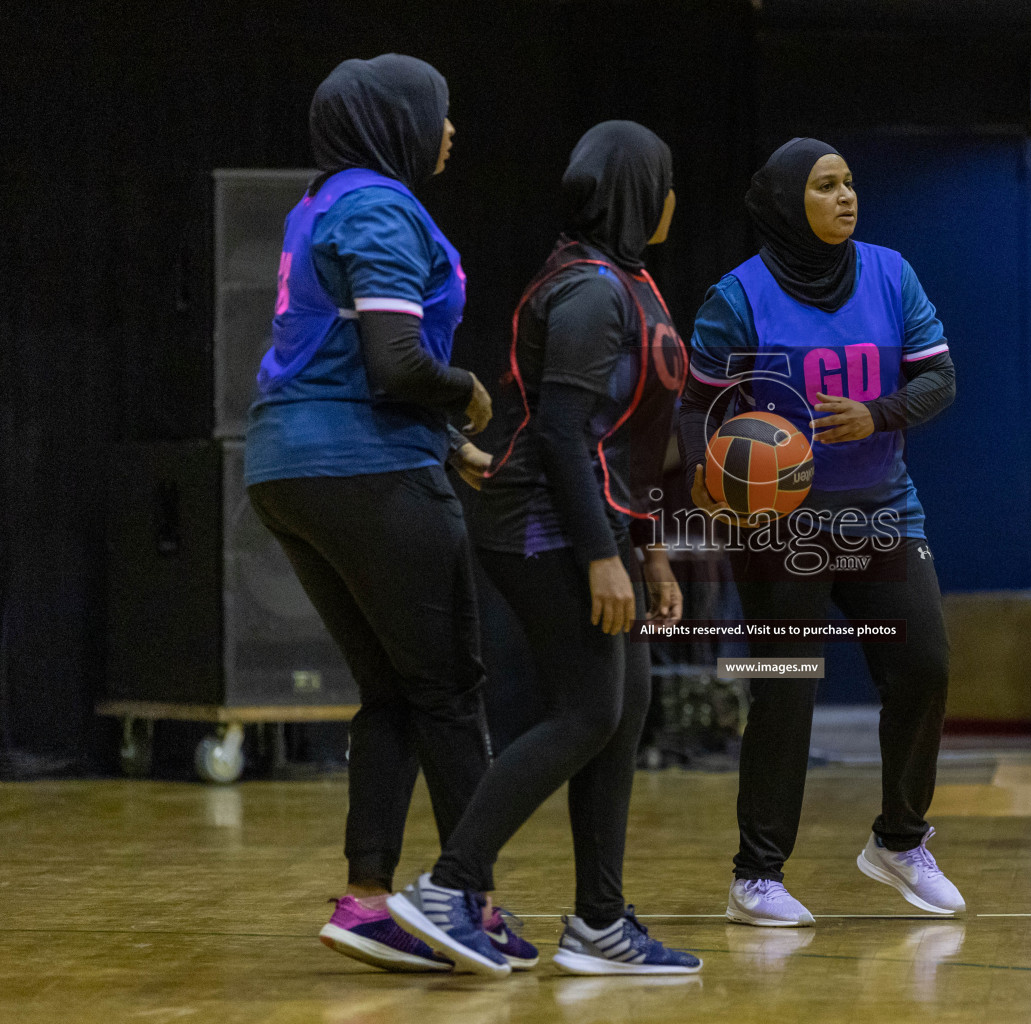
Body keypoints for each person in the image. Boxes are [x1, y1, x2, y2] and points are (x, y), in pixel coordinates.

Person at [385, 121, 701, 977]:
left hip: (587, 520)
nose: (676, 198)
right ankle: (449, 888)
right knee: (589, 710)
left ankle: (599, 921)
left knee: (621, 709)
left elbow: (629, 442)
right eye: (666, 180)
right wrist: (606, 556)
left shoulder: (631, 284)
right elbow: (563, 437)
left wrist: (652, 552)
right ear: (640, 192)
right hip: (539, 522)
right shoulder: (593, 292)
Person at [245, 54, 536, 971]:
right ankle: (467, 901)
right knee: (450, 691)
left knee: (395, 691)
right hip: (364, 468)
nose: (449, 131)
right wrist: (468, 396)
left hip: (287, 469)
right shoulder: (379, 207)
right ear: (396, 121)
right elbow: (396, 365)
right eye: (438, 113)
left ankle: (369, 900)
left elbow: (327, 355)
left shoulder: (318, 205)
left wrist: (450, 449)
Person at [678, 138, 964, 927]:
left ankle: (901, 842)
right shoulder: (737, 297)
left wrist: (878, 413)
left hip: (881, 510)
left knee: (925, 666)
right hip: (781, 529)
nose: (846, 197)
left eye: (849, 183)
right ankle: (756, 876)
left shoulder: (890, 272)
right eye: (825, 186)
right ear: (784, 203)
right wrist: (714, 477)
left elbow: (939, 376)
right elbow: (693, 406)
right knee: (788, 687)